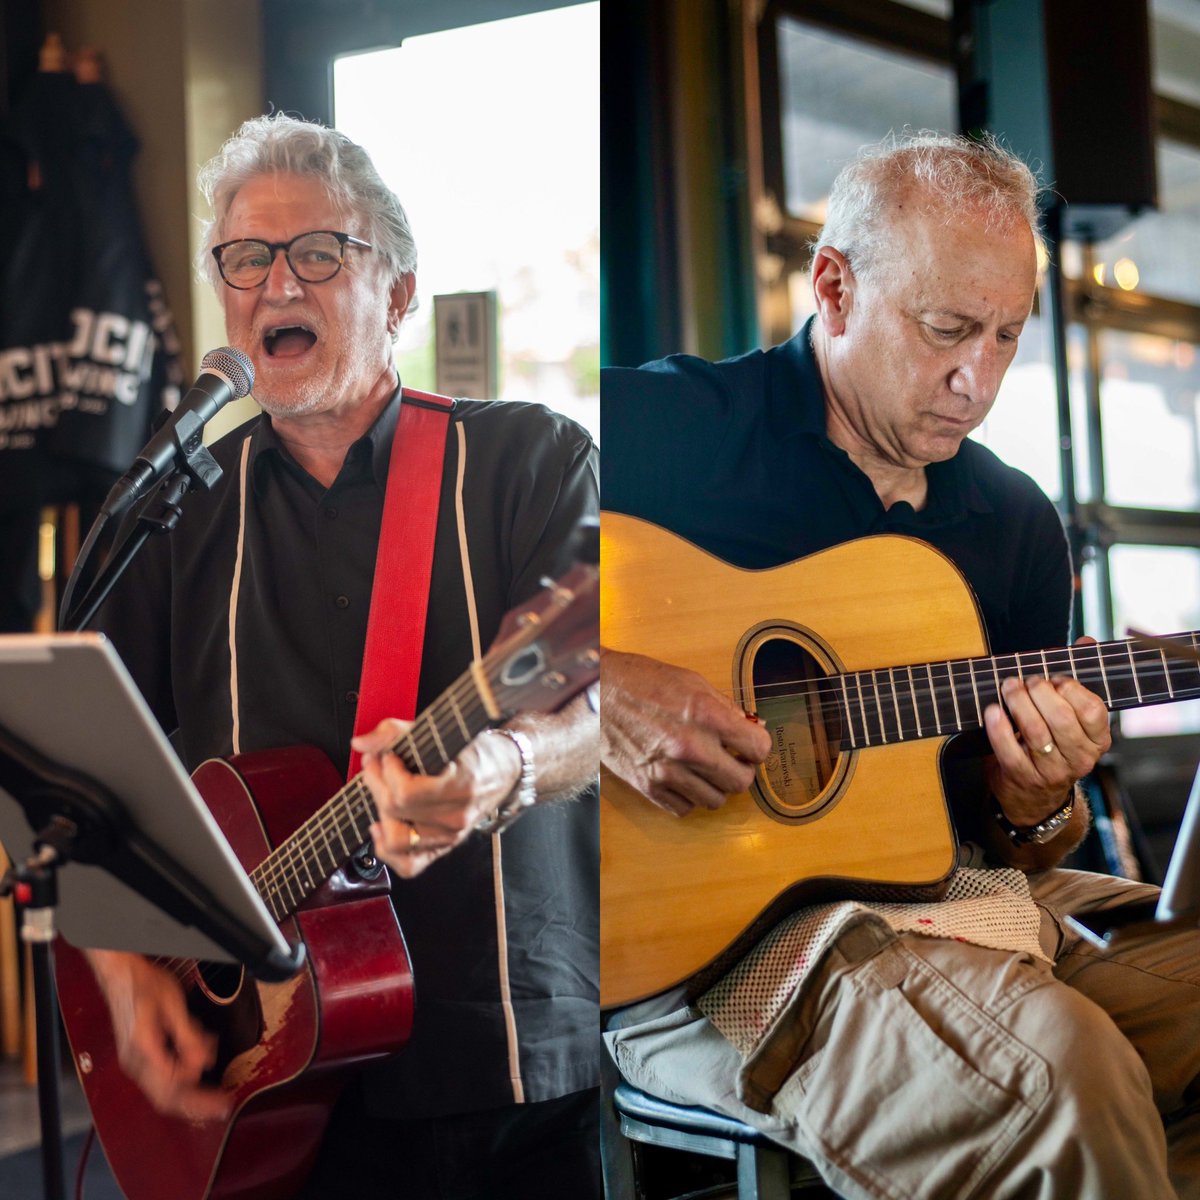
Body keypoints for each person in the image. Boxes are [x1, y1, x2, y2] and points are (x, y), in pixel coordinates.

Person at [601, 131, 1200, 1199]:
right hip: (696, 959)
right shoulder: (664, 430)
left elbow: (1006, 844)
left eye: (1009, 337)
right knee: (1065, 1072)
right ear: (833, 286)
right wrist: (604, 686)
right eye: (946, 330)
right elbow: (459, 610)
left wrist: (1032, 798)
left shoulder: (1014, 522)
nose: (978, 380)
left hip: (954, 906)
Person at [81, 113, 601, 1199]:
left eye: (318, 253)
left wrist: (498, 771)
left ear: (399, 292)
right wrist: (126, 966)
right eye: (245, 259)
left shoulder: (527, 459)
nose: (277, 284)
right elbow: (86, 775)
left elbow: (604, 716)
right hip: (271, 1081)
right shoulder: (179, 515)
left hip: (496, 1056)